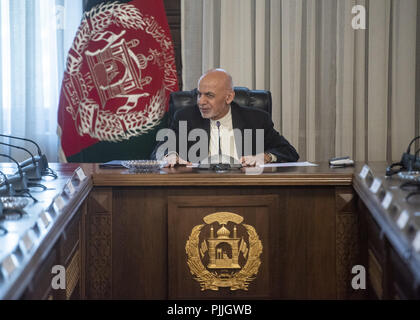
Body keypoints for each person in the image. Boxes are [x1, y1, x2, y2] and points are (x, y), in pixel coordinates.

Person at [151, 68, 299, 167]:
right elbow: (158, 152)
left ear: (229, 97)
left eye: (209, 95)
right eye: (199, 94)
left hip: (246, 188)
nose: (201, 101)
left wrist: (265, 157)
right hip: (198, 188)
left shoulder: (256, 119)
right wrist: (170, 156)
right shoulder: (186, 117)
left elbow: (289, 152)